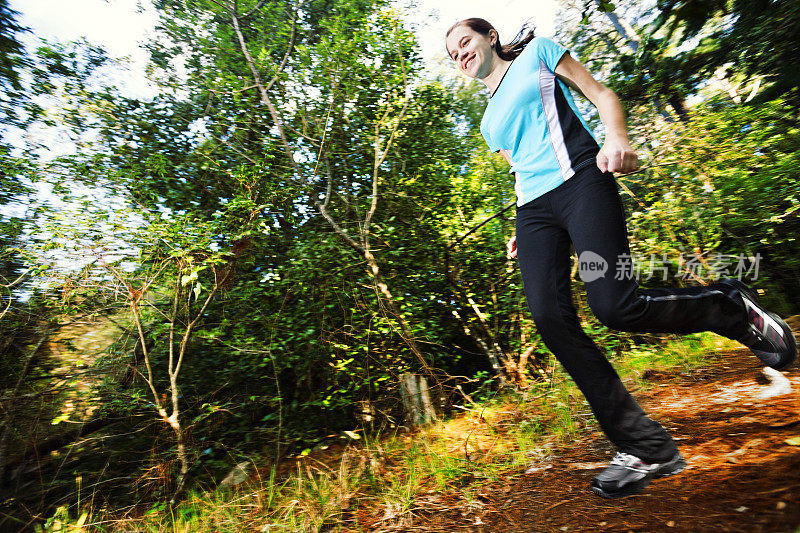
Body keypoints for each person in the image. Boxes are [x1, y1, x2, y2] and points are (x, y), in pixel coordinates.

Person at [444, 18, 797, 499]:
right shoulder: (488, 122)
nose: (461, 53)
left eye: (465, 41)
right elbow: (522, 168)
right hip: (535, 214)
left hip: (583, 185)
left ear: (489, 38)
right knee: (550, 319)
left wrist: (618, 139)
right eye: (453, 53)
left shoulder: (539, 55)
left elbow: (603, 95)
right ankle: (645, 447)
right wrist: (521, 230)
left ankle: (729, 309)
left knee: (614, 304)